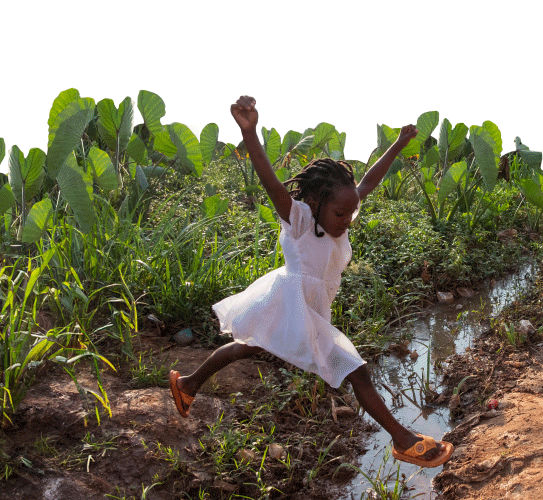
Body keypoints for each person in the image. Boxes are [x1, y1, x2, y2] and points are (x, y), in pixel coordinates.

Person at [168, 95, 453, 468]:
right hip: (292, 301)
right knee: (355, 369)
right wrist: (250, 132)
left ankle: (187, 385)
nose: (348, 219)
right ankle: (403, 439)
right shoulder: (300, 219)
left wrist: (398, 145)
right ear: (316, 201)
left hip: (307, 306)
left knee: (248, 346)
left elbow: (367, 182)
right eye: (340, 212)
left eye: (351, 211)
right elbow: (268, 178)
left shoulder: (342, 209)